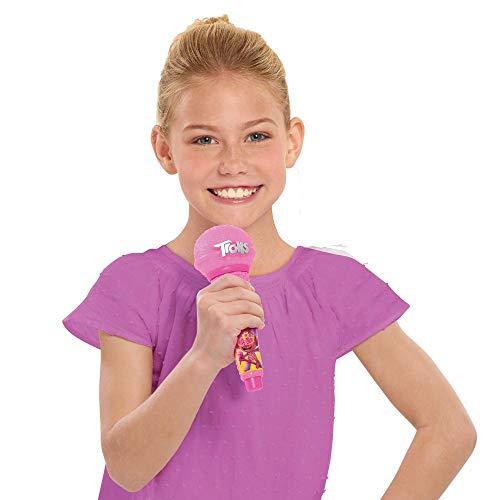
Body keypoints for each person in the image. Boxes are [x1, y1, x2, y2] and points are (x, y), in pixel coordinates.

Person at [61, 14, 477, 499]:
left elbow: (448, 429)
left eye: (256, 136)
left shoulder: (331, 286)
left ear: (292, 141)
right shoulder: (134, 285)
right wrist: (203, 356)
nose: (232, 162)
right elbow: (127, 467)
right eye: (204, 139)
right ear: (165, 149)